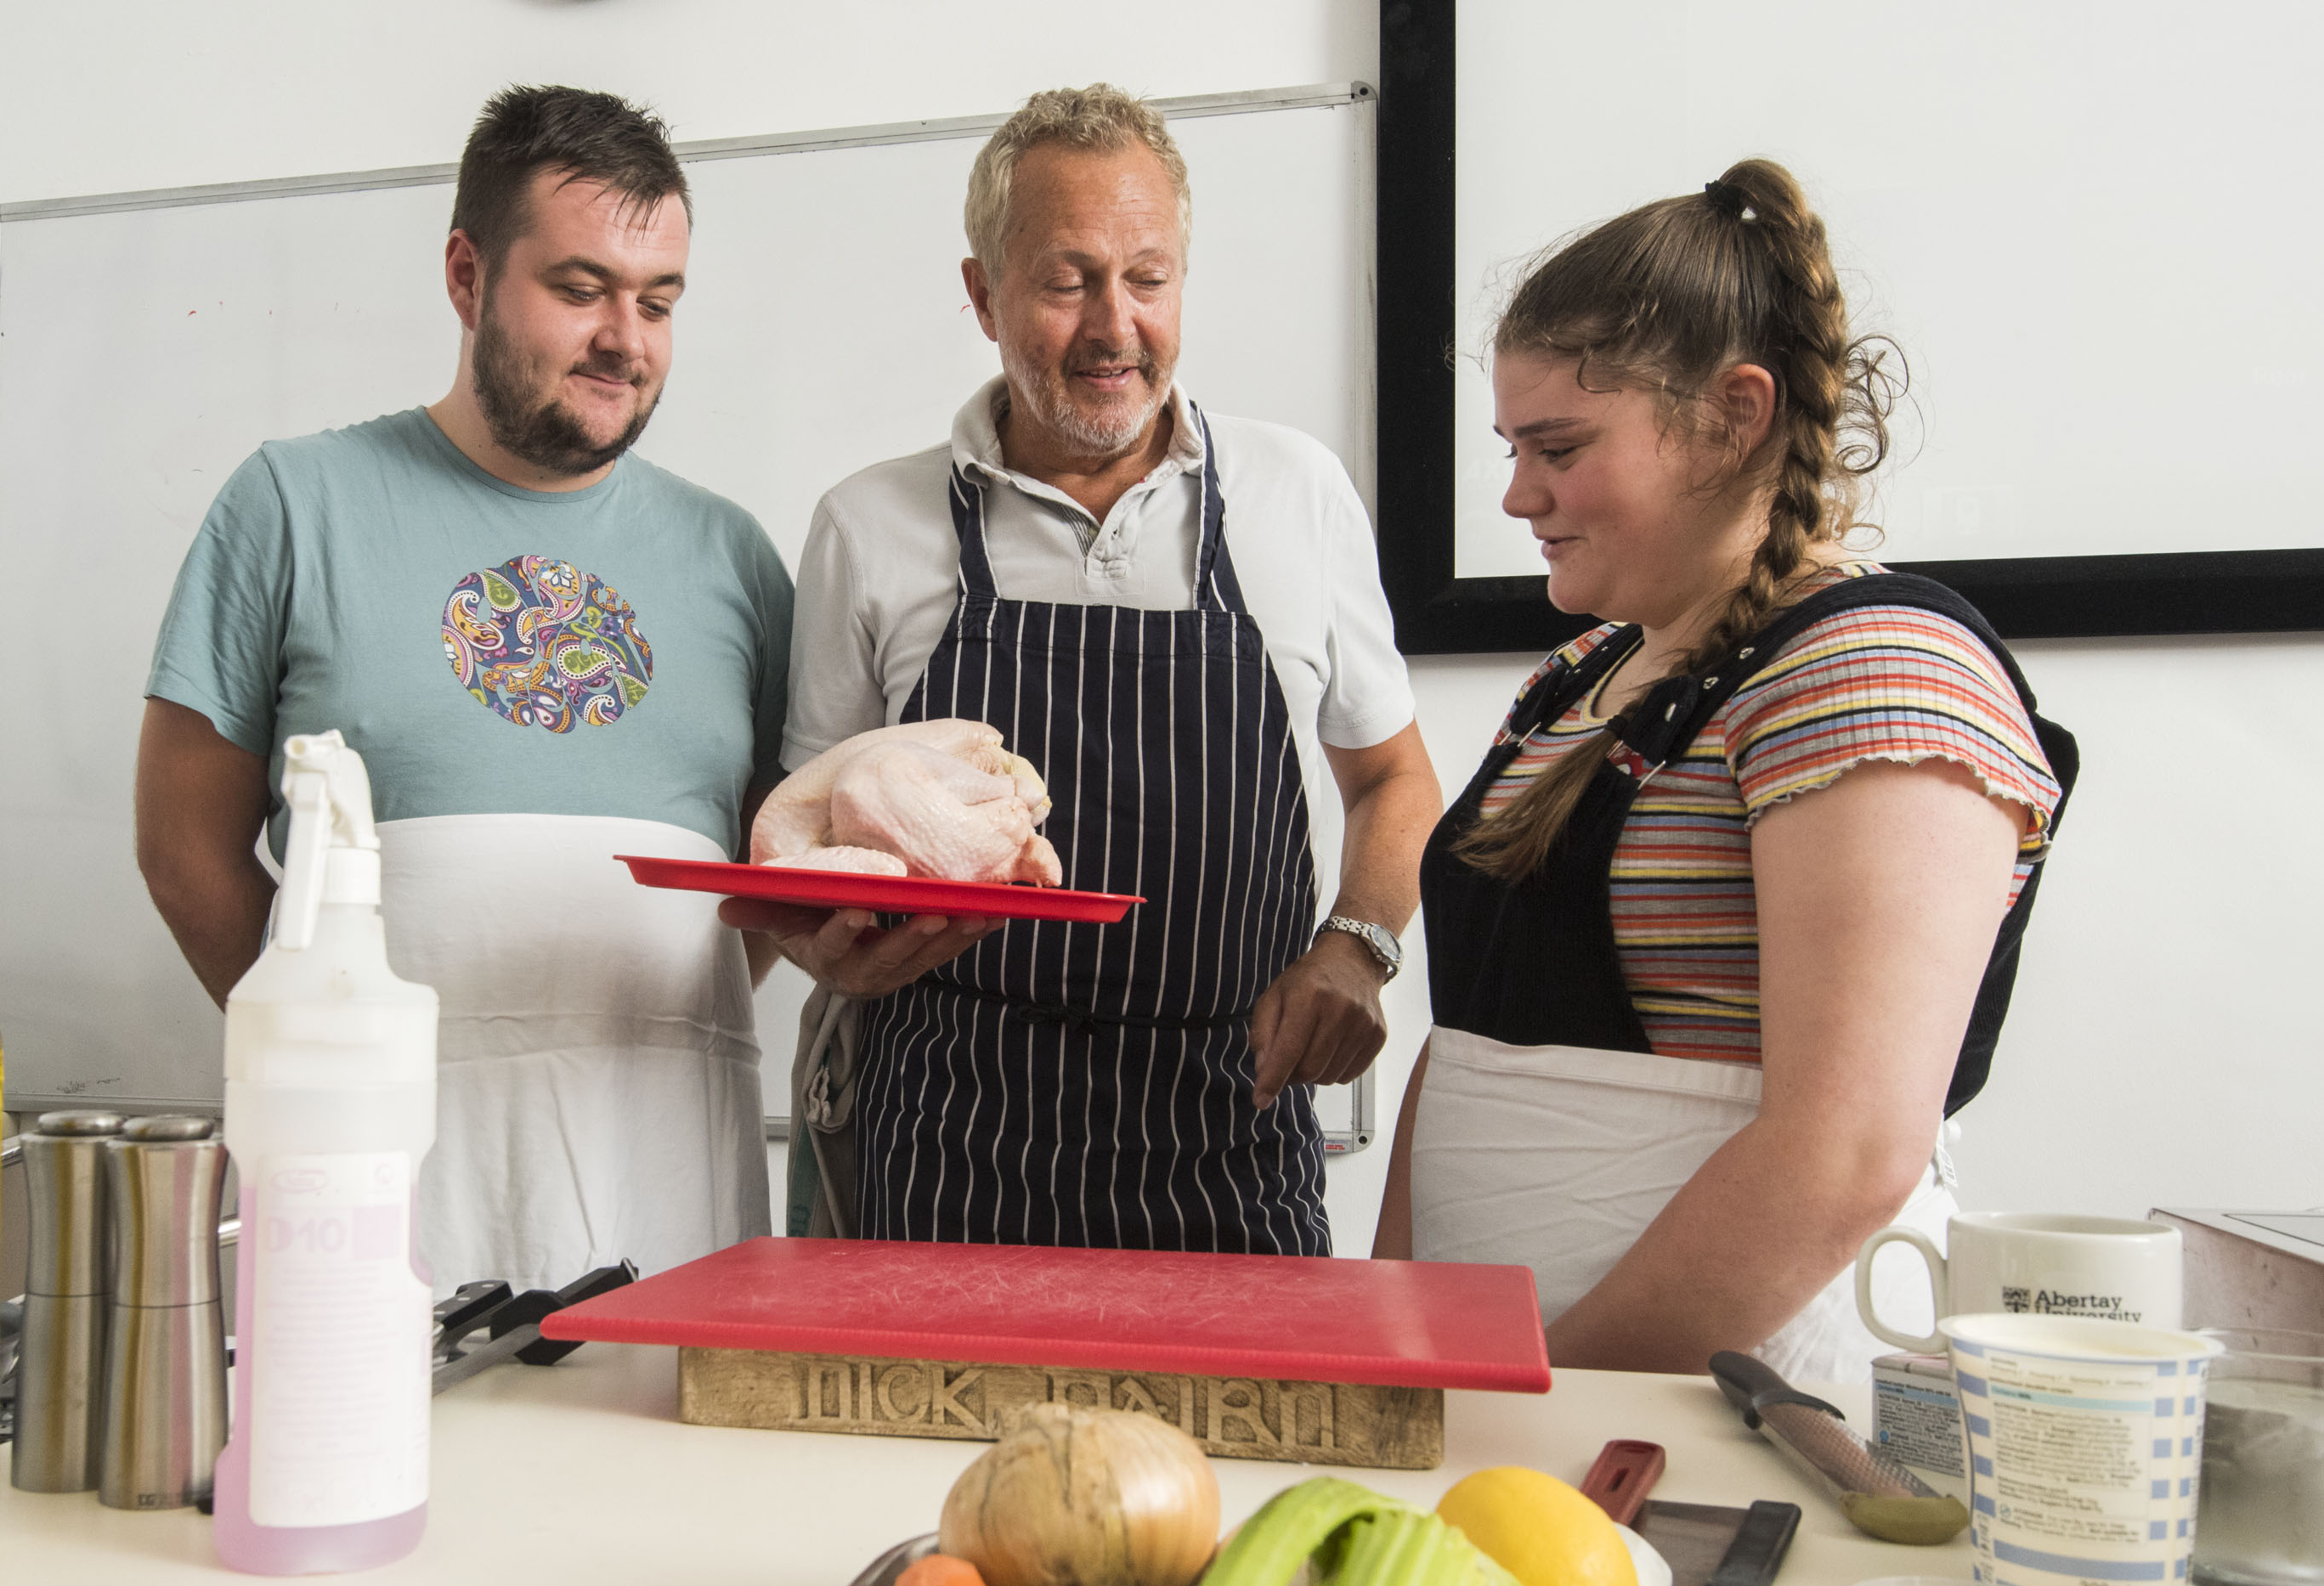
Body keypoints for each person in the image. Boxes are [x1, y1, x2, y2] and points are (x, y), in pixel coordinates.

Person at [1377, 160, 2077, 1389]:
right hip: (1492, 1384)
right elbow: (1467, 1049)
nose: (1514, 494)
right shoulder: (1582, 672)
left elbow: (1846, 1151)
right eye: (1511, 447)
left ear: (1733, 415)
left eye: (1558, 447)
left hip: (1712, 1398)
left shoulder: (1875, 678)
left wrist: (1552, 1398)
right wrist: (1396, 1342)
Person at [749, 85, 1441, 1253]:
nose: (1114, 325)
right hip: (954, 1136)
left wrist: (1359, 944)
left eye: (1149, 277)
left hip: (1231, 1134)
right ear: (983, 293)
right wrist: (823, 945)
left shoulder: (1294, 493)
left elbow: (1393, 778)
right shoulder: (869, 525)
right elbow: (805, 843)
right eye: (1067, 281)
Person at [135, 86, 793, 1289]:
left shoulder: (735, 557)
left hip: (674, 1186)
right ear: (465, 274)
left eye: (657, 301)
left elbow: (763, 889)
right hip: (375, 1193)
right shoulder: (291, 504)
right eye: (580, 288)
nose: (625, 341)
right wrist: (336, 1049)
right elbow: (184, 852)